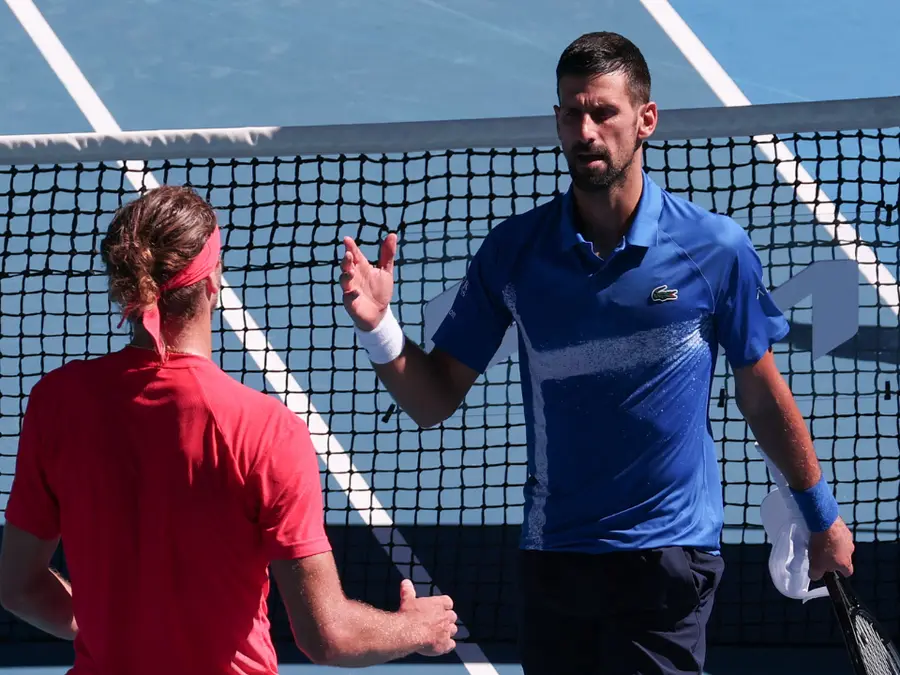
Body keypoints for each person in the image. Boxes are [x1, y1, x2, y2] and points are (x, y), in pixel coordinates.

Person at [338, 32, 855, 675]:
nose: (585, 131)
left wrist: (822, 517)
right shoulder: (514, 254)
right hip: (555, 559)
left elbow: (762, 397)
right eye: (571, 114)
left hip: (667, 558)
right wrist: (379, 327)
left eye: (603, 112)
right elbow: (433, 398)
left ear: (645, 119)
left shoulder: (714, 250)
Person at [0, 185, 457, 674]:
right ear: (212, 283)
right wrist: (418, 628)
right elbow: (329, 637)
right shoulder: (266, 432)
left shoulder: (57, 402)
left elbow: (20, 587)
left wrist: (116, 626)